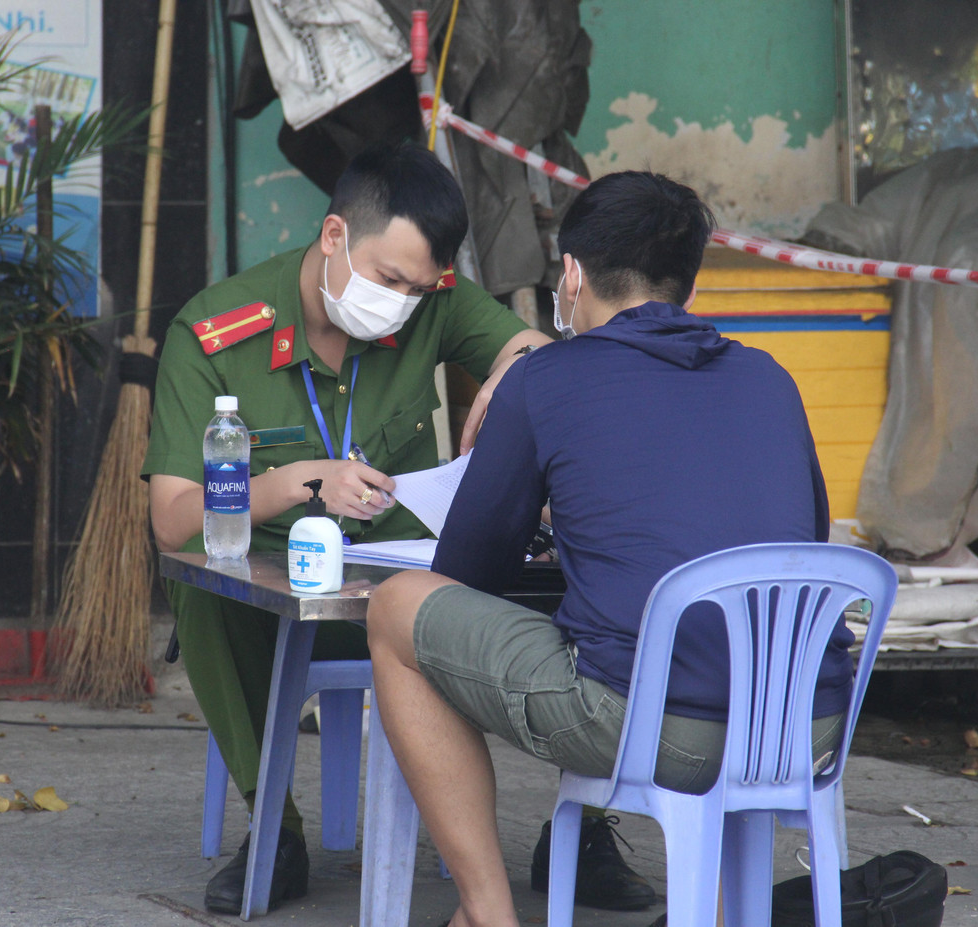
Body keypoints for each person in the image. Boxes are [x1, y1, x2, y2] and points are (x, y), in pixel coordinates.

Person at [365, 170, 852, 927]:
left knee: (398, 612)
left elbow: (466, 572)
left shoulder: (546, 379)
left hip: (654, 727)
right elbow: (794, 545)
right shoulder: (770, 378)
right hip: (801, 722)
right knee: (628, 630)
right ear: (687, 285)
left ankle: (487, 915)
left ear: (572, 273)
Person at [143, 142, 562, 915]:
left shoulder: (433, 301)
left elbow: (536, 352)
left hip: (407, 593)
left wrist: (514, 371)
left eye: (418, 287)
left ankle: (587, 831)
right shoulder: (213, 332)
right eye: (389, 279)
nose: (401, 302)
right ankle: (278, 830)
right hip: (275, 601)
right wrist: (299, 481)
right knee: (201, 592)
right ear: (334, 235)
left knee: (593, 586)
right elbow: (172, 520)